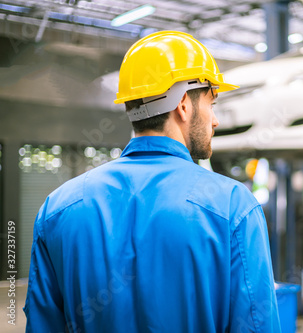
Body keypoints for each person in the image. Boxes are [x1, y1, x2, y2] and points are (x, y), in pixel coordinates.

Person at [24, 31, 281, 332]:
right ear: (184, 103)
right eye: (212, 103)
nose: (215, 120)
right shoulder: (233, 208)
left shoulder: (57, 209)